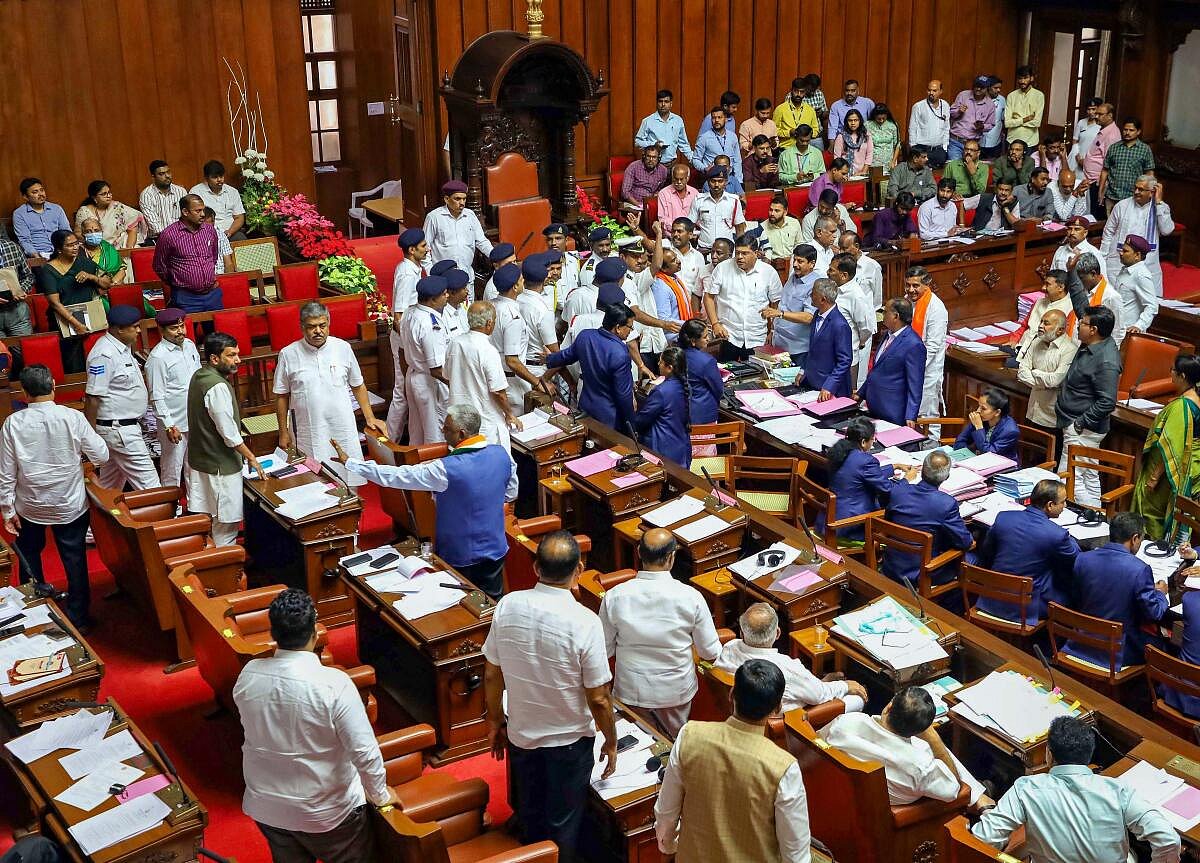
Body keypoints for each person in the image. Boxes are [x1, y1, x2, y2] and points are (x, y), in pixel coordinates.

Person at [234, 589, 395, 863]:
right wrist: (381, 796)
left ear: (272, 635)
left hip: (268, 807)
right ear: (315, 634)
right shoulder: (335, 684)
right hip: (328, 813)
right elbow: (364, 753)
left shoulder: (248, 676)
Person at [483, 530, 617, 857]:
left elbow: (491, 673)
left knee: (531, 816)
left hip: (521, 734)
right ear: (579, 570)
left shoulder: (507, 605)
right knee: (563, 827)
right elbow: (598, 698)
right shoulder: (584, 622)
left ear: (535, 569)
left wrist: (495, 723)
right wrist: (612, 741)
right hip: (568, 744)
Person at [336, 405, 516, 597]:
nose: (442, 431)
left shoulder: (446, 469)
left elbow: (397, 476)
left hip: (460, 553)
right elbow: (511, 492)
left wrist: (351, 463)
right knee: (492, 601)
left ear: (461, 433)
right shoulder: (502, 454)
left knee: (459, 604)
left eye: (447, 429)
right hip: (496, 546)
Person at [655, 658, 813, 863]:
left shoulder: (689, 735)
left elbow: (666, 814)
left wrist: (668, 849)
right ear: (777, 709)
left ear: (731, 695)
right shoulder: (784, 768)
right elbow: (796, 856)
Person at [972, 716, 1181, 863]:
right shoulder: (1118, 791)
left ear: (1049, 754)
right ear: (1090, 755)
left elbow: (985, 838)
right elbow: (1168, 839)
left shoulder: (1026, 789)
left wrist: (987, 812)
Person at [0, 365, 108, 630]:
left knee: (30, 559)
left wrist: (6, 509)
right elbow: (102, 455)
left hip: (30, 505)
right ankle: (79, 619)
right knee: (75, 559)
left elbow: (6, 472)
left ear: (23, 393)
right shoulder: (72, 417)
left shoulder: (13, 423)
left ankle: (36, 614)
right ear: (53, 386)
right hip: (69, 503)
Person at [598, 529, 720, 737]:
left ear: (638, 552)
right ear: (672, 557)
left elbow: (604, 649)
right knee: (672, 746)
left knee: (637, 745)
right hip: (675, 692)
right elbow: (710, 652)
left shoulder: (615, 596)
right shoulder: (692, 597)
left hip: (630, 689)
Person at [821, 687, 990, 809]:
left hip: (832, 799)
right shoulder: (921, 766)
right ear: (920, 729)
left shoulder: (846, 723)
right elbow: (956, 791)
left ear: (889, 707)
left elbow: (817, 740)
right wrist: (933, 739)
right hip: (888, 824)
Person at [274, 301, 386, 481]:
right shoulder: (288, 354)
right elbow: (281, 396)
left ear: (328, 323)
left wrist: (370, 417)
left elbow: (358, 386)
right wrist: (283, 432)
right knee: (313, 478)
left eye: (322, 325)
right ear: (302, 327)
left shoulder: (343, 348)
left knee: (349, 474)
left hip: (342, 424)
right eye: (311, 327)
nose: (317, 331)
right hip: (308, 428)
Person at [717, 603, 866, 713]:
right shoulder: (785, 668)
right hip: (788, 722)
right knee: (857, 699)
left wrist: (821, 683)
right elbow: (820, 696)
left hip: (739, 710)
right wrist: (845, 686)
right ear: (778, 633)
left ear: (742, 633)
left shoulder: (729, 647)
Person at [1064, 512, 1168, 668]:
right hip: (1117, 651)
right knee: (1165, 647)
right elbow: (1155, 613)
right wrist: (1160, 593)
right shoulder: (1140, 570)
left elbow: (1076, 599)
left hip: (1081, 639)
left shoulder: (1083, 558)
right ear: (1134, 538)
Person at [186, 332, 262, 545]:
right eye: (231, 355)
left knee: (212, 521)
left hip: (202, 461)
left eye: (237, 354)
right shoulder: (217, 386)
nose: (238, 360)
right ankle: (224, 571)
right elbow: (229, 433)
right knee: (226, 528)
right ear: (214, 358)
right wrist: (252, 458)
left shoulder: (198, 376)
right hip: (220, 466)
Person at [973, 479, 1079, 624]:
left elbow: (987, 551)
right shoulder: (1057, 534)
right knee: (1073, 593)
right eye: (1063, 501)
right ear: (1050, 505)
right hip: (1025, 608)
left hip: (991, 597)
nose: (1065, 505)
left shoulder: (1003, 517)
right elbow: (1075, 558)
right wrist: (1068, 536)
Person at [84, 306, 158, 492]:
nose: (139, 330)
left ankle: (101, 521)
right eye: (135, 327)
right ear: (119, 329)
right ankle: (162, 520)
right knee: (151, 487)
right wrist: (89, 436)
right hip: (118, 430)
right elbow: (93, 398)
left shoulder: (122, 348)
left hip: (122, 427)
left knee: (109, 489)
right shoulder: (104, 355)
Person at [881, 451, 974, 592]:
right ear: (946, 477)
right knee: (975, 559)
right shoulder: (946, 503)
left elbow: (888, 524)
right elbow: (965, 543)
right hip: (923, 573)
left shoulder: (898, 491)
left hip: (891, 565)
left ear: (922, 470)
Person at [1056, 305, 1120, 507]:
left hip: (1083, 428)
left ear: (1093, 330)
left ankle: (1078, 521)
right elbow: (1080, 299)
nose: (1077, 326)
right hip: (1080, 423)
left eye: (1082, 323)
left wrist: (1080, 423)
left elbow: (1107, 401)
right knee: (1088, 475)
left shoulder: (1106, 360)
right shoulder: (1095, 343)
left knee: (1069, 478)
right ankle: (1096, 518)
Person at [1133, 354, 1200, 541]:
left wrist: (1154, 477)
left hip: (1169, 472)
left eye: (1173, 370)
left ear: (1183, 376)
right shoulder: (1195, 396)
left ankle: (1151, 547)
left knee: (1152, 512)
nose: (1170, 373)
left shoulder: (1183, 406)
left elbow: (1172, 447)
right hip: (1192, 466)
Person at [546, 304, 636, 430]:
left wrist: (548, 359)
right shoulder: (620, 353)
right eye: (630, 327)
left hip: (586, 406)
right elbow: (624, 395)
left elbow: (567, 356)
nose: (631, 331)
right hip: (610, 417)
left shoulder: (586, 336)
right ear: (618, 328)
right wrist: (631, 424)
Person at [446, 301, 521, 450]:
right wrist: (510, 414)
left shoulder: (455, 343)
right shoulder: (487, 350)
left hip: (458, 420)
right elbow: (498, 392)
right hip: (485, 422)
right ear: (489, 324)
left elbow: (447, 375)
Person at [816, 416, 900, 542]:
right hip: (848, 526)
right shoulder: (866, 461)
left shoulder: (840, 450)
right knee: (895, 515)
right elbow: (888, 489)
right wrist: (906, 480)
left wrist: (893, 467)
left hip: (826, 519)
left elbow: (856, 473)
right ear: (862, 442)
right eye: (873, 439)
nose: (873, 443)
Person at [38, 229, 110, 373]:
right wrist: (76, 324)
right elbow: (55, 303)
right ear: (59, 249)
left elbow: (107, 284)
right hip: (64, 321)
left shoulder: (85, 263)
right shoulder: (48, 270)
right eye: (70, 245)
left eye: (76, 243)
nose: (75, 247)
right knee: (74, 364)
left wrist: (91, 277)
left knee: (97, 360)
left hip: (90, 318)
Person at [144, 308, 201, 489]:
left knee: (195, 467)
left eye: (182, 326)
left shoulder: (190, 345)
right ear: (161, 330)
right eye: (174, 328)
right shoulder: (157, 358)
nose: (180, 331)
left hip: (194, 417)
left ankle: (196, 507)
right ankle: (171, 511)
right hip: (174, 423)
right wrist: (169, 425)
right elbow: (156, 397)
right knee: (172, 469)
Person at [705, 234, 782, 361]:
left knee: (755, 375)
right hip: (728, 335)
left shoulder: (769, 272)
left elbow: (776, 303)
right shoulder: (723, 268)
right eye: (738, 253)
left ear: (756, 253)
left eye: (745, 253)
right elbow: (708, 297)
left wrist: (772, 330)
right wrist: (715, 324)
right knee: (727, 374)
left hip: (757, 336)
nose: (740, 257)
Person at [396, 276, 453, 445]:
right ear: (433, 299)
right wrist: (456, 383)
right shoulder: (430, 324)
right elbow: (436, 368)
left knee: (418, 430)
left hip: (414, 375)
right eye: (444, 294)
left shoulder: (410, 312)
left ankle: (418, 466)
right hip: (431, 382)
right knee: (435, 432)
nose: (447, 296)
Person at [858, 297, 926, 428]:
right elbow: (877, 371)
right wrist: (861, 394)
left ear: (896, 316)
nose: (882, 315)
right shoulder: (887, 334)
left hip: (893, 410)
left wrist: (911, 415)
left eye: (885, 312)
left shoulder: (914, 344)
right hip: (875, 405)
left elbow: (915, 384)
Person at [1101, 174, 1174, 296]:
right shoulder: (1122, 205)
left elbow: (1167, 230)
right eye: (1135, 188)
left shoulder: (1161, 208)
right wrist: (1102, 258)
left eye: (1141, 189)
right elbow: (1108, 232)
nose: (1136, 192)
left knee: (1149, 300)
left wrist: (1159, 203)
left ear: (1152, 192)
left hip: (1148, 262)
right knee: (1118, 300)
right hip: (1119, 261)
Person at [385, 227, 426, 439]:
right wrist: (410, 344)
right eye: (423, 246)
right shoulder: (407, 274)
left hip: (407, 340)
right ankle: (390, 440)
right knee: (401, 391)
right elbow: (398, 317)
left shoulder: (413, 267)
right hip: (404, 341)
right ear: (412, 250)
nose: (427, 249)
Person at [152, 195, 221, 313]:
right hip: (186, 297)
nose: (203, 214)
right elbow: (159, 266)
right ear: (185, 212)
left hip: (212, 295)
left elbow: (213, 257)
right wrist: (176, 282)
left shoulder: (210, 230)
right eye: (198, 211)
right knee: (186, 331)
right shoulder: (169, 235)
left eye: (203, 210)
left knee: (216, 331)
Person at [1017, 308, 1078, 441]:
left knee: (1049, 458)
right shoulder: (1036, 342)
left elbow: (1055, 381)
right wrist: (1044, 383)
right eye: (1041, 322)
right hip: (1032, 412)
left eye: (1046, 323)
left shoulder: (1070, 349)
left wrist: (1035, 373)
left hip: (1052, 418)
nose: (1040, 326)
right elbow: (1021, 372)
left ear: (1060, 330)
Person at [632, 346, 691, 467]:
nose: (658, 364)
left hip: (662, 449)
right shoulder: (685, 386)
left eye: (661, 362)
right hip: (681, 446)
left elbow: (643, 419)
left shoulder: (661, 391)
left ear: (669, 368)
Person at [903, 266, 948, 421]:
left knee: (927, 414)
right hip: (908, 365)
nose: (910, 289)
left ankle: (932, 444)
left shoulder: (936, 308)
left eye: (915, 286)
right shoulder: (906, 301)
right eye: (908, 285)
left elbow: (932, 346)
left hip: (926, 370)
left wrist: (914, 367)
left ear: (927, 284)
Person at [422, 180, 493, 279]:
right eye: (457, 199)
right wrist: (430, 271)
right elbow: (424, 247)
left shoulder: (470, 215)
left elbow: (481, 241)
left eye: (464, 199)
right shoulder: (434, 217)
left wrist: (496, 257)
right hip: (443, 277)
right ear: (446, 199)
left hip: (467, 276)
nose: (462, 203)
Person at [800, 279, 853, 398]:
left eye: (813, 293)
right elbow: (812, 348)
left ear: (823, 299)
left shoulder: (840, 325)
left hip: (831, 389)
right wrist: (803, 370)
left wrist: (829, 386)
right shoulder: (817, 314)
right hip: (813, 383)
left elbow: (845, 361)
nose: (810, 295)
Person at [766, 244, 818, 365]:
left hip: (798, 348)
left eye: (800, 261)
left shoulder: (815, 285)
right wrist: (772, 331)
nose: (795, 264)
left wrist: (780, 314)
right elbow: (783, 304)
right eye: (794, 260)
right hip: (779, 343)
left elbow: (808, 317)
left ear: (812, 264)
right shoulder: (792, 277)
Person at [828, 254, 875, 387]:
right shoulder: (833, 289)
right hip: (830, 353)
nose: (828, 272)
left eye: (832, 270)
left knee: (846, 397)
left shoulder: (856, 296)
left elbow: (866, 328)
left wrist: (857, 343)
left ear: (844, 275)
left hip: (846, 357)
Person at [1100, 117, 1156, 213]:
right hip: (1112, 195)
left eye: (1131, 130)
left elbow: (1149, 173)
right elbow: (1105, 170)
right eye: (1125, 130)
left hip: (1134, 196)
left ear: (1138, 132)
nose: (1127, 132)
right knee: (1110, 225)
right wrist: (1100, 191)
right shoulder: (1114, 147)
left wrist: (1149, 194)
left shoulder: (1145, 149)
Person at [1011, 271, 1075, 354]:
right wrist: (1014, 340)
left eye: (1047, 284)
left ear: (1060, 287)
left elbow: (1063, 342)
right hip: (1019, 347)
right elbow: (1024, 326)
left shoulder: (1070, 309)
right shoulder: (1039, 302)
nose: (1043, 288)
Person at [675, 319, 723, 425]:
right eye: (705, 337)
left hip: (676, 411)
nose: (708, 339)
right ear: (693, 341)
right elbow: (719, 390)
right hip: (702, 415)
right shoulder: (707, 361)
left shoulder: (674, 354)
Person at [74, 180, 143, 249]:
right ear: (94, 197)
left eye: (109, 193)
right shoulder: (84, 212)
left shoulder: (117, 207)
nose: (108, 196)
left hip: (120, 247)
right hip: (94, 249)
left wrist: (129, 248)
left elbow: (132, 228)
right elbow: (78, 234)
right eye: (104, 194)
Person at [12, 178, 71, 259]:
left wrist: (67, 250)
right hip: (39, 254)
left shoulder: (56, 209)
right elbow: (24, 240)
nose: (40, 194)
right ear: (25, 197)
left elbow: (67, 232)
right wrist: (35, 255)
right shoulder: (19, 214)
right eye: (35, 192)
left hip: (61, 252)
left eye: (42, 190)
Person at [688, 166, 745, 251]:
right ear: (708, 182)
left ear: (726, 182)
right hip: (704, 249)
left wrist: (739, 249)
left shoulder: (734, 200)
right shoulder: (699, 200)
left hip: (727, 250)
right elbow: (689, 225)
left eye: (720, 181)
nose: (716, 185)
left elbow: (740, 228)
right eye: (713, 181)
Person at [954, 388, 1019, 460]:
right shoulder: (982, 418)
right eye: (979, 406)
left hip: (1001, 466)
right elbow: (959, 442)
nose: (978, 411)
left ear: (997, 412)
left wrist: (979, 428)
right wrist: (968, 456)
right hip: (977, 460)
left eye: (983, 408)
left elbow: (989, 454)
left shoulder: (1010, 431)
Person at [1113, 234, 1158, 335]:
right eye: (1122, 250)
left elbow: (1152, 305)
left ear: (1137, 255)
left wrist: (1139, 325)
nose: (1121, 253)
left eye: (1125, 251)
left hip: (1128, 331)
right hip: (1116, 328)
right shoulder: (1125, 270)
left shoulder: (1141, 274)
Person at [1082, 103, 1120, 218]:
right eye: (1096, 113)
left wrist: (1102, 185)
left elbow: (1109, 163)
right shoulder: (1104, 130)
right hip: (1090, 179)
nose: (1096, 116)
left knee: (1095, 215)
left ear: (1110, 116)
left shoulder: (1112, 135)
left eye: (1100, 114)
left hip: (1098, 181)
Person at [190, 160, 245, 239]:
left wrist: (230, 232)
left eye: (221, 176)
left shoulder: (233, 192)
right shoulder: (196, 192)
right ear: (206, 178)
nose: (219, 179)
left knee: (241, 237)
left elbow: (239, 217)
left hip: (230, 232)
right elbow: (193, 217)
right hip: (206, 233)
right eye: (215, 177)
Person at [635, 89, 693, 163]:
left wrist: (693, 159)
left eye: (666, 101)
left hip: (672, 164)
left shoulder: (678, 120)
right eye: (660, 101)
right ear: (657, 103)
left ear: (671, 103)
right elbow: (637, 142)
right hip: (653, 164)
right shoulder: (647, 121)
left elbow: (684, 144)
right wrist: (653, 144)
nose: (663, 104)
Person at [948, 76, 997, 162]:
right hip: (956, 142)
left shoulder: (990, 104)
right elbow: (951, 113)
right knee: (955, 169)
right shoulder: (963, 95)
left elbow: (991, 124)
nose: (978, 89)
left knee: (970, 170)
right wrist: (959, 111)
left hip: (973, 144)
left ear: (987, 88)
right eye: (976, 86)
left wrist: (982, 126)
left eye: (981, 87)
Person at [693, 107, 744, 190]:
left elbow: (737, 160)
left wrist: (739, 180)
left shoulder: (733, 136)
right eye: (713, 118)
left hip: (730, 180)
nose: (716, 120)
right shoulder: (704, 138)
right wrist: (704, 168)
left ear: (726, 119)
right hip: (712, 181)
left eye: (719, 117)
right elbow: (695, 159)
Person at [139, 160, 188, 238]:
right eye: (162, 174)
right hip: (159, 239)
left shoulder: (181, 191)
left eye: (168, 172)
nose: (167, 176)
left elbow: (188, 216)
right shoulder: (147, 195)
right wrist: (173, 238)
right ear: (153, 177)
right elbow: (155, 225)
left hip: (183, 236)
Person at [909, 80, 951, 167]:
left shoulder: (946, 105)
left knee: (937, 176)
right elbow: (912, 128)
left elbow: (947, 127)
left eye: (934, 90)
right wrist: (914, 148)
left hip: (939, 150)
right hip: (922, 149)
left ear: (941, 91)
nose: (931, 93)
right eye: (929, 90)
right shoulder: (918, 106)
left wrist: (945, 147)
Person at [839, 230, 884, 310]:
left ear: (856, 246)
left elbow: (877, 299)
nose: (841, 252)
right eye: (840, 248)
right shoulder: (839, 265)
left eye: (844, 248)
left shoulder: (872, 266)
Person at [0, 232, 33, 337]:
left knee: (24, 351)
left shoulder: (12, 247)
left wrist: (20, 290)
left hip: (17, 310)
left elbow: (29, 276)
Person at [774, 78, 821, 151]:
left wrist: (806, 134)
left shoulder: (810, 110)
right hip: (786, 149)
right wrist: (789, 132)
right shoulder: (780, 109)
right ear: (791, 90)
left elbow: (816, 130)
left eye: (802, 92)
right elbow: (774, 131)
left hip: (805, 149)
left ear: (805, 92)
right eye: (796, 91)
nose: (798, 95)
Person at [1004, 65, 1045, 148]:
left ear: (1031, 78)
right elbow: (1007, 123)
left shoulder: (1039, 96)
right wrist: (1026, 119)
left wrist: (1016, 121)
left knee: (1029, 161)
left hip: (1030, 142)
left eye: (1025, 78)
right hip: (1012, 140)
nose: (1022, 81)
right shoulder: (1011, 96)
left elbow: (1037, 122)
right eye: (1020, 78)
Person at [79, 217, 128, 286]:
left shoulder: (107, 248)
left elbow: (121, 270)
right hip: (90, 290)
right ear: (82, 234)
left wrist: (112, 285)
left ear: (101, 232)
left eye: (96, 230)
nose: (93, 234)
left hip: (112, 286)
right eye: (88, 231)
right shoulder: (78, 251)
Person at [827, 79, 875, 146]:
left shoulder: (868, 103)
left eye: (853, 91)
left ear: (858, 91)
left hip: (863, 140)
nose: (849, 93)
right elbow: (832, 128)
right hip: (843, 141)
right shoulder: (836, 106)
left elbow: (873, 123)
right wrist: (832, 146)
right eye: (847, 90)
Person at [1067, 98, 1103, 174]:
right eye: (1088, 109)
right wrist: (1077, 156)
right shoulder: (1081, 122)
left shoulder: (1101, 125)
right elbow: (1075, 141)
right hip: (1078, 157)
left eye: (1093, 109)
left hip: (1092, 161)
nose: (1091, 112)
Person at [831, 109, 873, 175]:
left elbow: (869, 155)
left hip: (862, 173)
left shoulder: (866, 135)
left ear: (860, 121)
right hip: (845, 175)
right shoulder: (841, 136)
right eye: (850, 120)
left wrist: (863, 171)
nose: (853, 123)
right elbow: (837, 158)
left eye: (855, 120)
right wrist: (842, 174)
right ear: (846, 121)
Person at [867, 104, 901, 170]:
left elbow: (897, 145)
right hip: (873, 161)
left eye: (883, 118)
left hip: (889, 162)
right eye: (879, 119)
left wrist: (893, 162)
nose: (881, 120)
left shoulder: (893, 125)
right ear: (874, 116)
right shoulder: (867, 125)